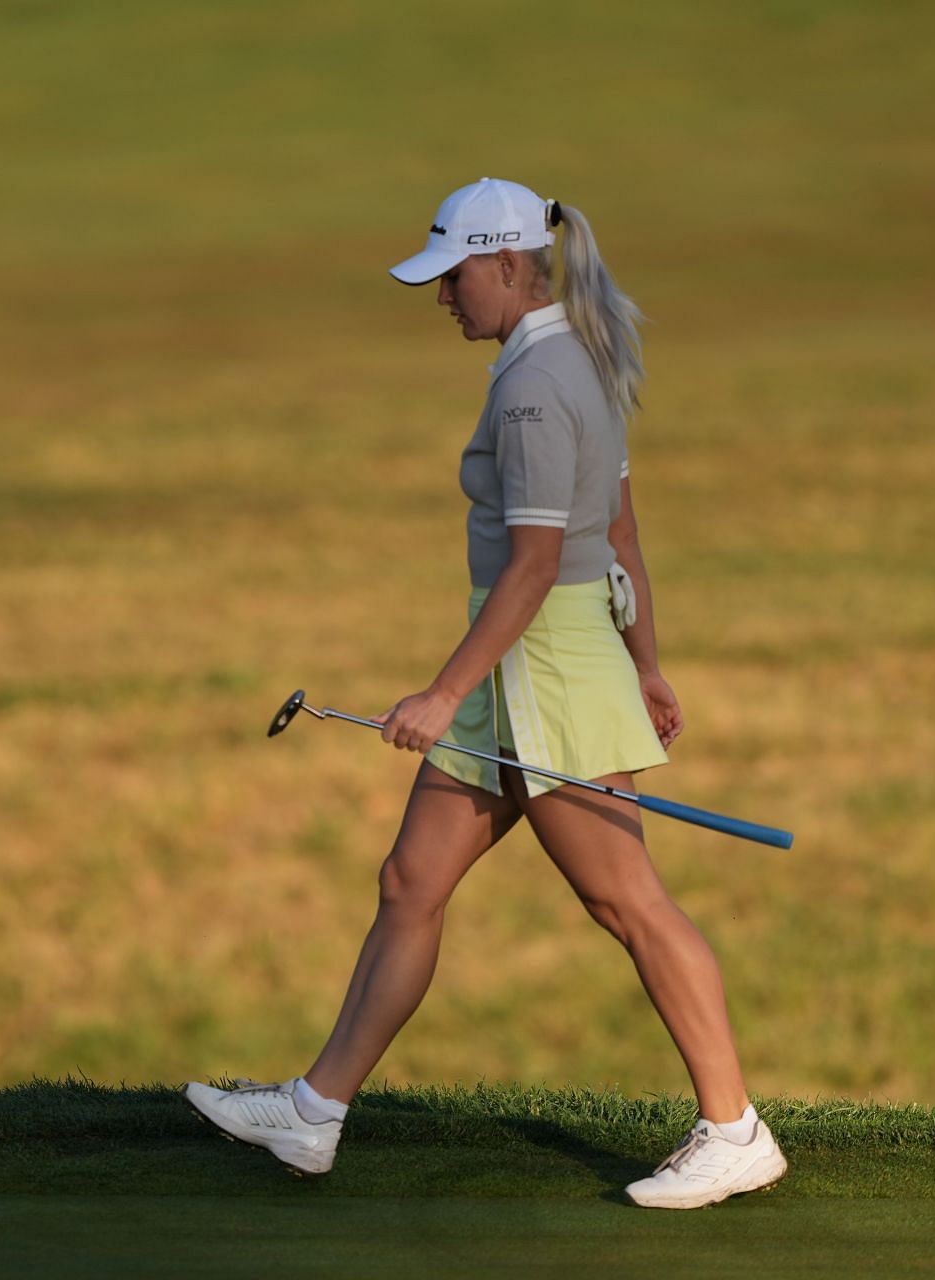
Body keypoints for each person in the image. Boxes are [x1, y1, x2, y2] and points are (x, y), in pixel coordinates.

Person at [184, 179, 786, 1208]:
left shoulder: (537, 383)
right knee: (411, 879)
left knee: (623, 897)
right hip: (535, 664)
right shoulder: (573, 358)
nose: (442, 296)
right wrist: (644, 660)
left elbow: (541, 562)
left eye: (455, 276)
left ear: (508, 265)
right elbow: (623, 535)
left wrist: (441, 688)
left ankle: (735, 1128)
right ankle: (314, 1112)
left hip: (540, 666)